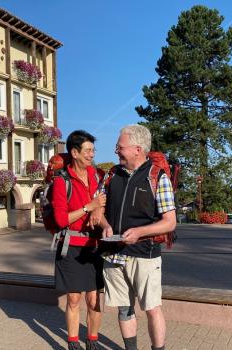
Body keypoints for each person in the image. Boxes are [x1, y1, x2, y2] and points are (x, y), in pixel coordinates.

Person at [98, 125, 176, 350]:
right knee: (124, 309)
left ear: (137, 149)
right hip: (113, 254)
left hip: (145, 255)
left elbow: (169, 222)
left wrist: (140, 232)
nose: (116, 151)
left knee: (152, 309)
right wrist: (104, 225)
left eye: (120, 147)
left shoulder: (156, 177)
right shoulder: (112, 175)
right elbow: (97, 209)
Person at [52, 130, 107, 350]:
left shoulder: (97, 176)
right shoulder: (61, 181)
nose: (92, 154)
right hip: (71, 247)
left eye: (93, 150)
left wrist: (99, 209)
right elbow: (60, 220)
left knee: (94, 301)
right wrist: (88, 207)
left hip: (95, 247)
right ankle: (73, 342)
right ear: (74, 153)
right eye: (88, 150)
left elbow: (104, 202)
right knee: (74, 300)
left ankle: (92, 340)